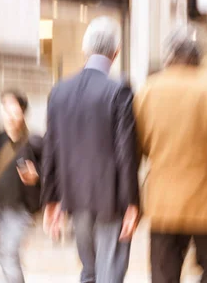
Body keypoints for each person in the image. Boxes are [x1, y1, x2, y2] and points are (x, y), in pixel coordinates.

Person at [133, 26, 207, 283]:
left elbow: (136, 146)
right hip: (203, 199)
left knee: (163, 272)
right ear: (198, 57)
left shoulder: (148, 90)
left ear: (168, 56)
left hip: (163, 199)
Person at [42, 16, 140, 283]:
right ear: (116, 52)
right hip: (112, 198)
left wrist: (51, 198)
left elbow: (51, 147)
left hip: (74, 195)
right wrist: (132, 201)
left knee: (90, 270)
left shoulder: (59, 92)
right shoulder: (119, 91)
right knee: (110, 272)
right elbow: (126, 152)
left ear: (85, 50)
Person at [0, 89, 42, 283]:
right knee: (2, 257)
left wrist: (36, 176)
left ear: (23, 112)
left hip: (18, 210)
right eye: (6, 109)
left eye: (14, 110)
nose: (10, 115)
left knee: (8, 255)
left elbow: (51, 172)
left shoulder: (33, 143)